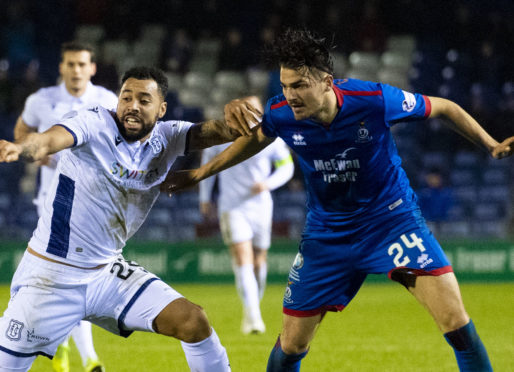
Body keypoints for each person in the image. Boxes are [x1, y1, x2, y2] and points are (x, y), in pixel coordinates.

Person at [161, 29, 514, 372]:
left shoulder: (375, 101)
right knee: (291, 346)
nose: (290, 95)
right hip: (327, 233)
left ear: (327, 82)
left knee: (456, 322)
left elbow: (444, 107)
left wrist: (490, 144)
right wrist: (198, 174)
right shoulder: (281, 112)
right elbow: (255, 140)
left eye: (299, 85)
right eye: (284, 86)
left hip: (391, 222)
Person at [0, 66, 236, 372]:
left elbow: (224, 130)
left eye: (143, 99)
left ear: (162, 108)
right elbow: (47, 141)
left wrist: (236, 116)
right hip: (52, 275)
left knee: (193, 321)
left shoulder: (169, 137)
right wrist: (21, 148)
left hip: (106, 273)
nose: (132, 106)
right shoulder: (94, 122)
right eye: (126, 97)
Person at [12, 41, 118, 372]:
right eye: (70, 64)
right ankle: (89, 360)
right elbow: (21, 132)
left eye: (82, 64)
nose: (76, 70)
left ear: (92, 68)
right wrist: (38, 153)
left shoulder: (107, 101)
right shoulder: (41, 101)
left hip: (94, 202)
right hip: (53, 203)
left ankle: (60, 348)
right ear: (61, 67)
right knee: (72, 276)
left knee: (71, 279)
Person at [199, 97, 294, 334]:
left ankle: (253, 308)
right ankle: (253, 316)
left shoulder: (271, 137)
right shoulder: (221, 137)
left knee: (259, 261)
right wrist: (204, 198)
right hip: (231, 206)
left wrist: (268, 183)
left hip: (261, 206)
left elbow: (287, 167)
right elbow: (207, 168)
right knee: (243, 258)